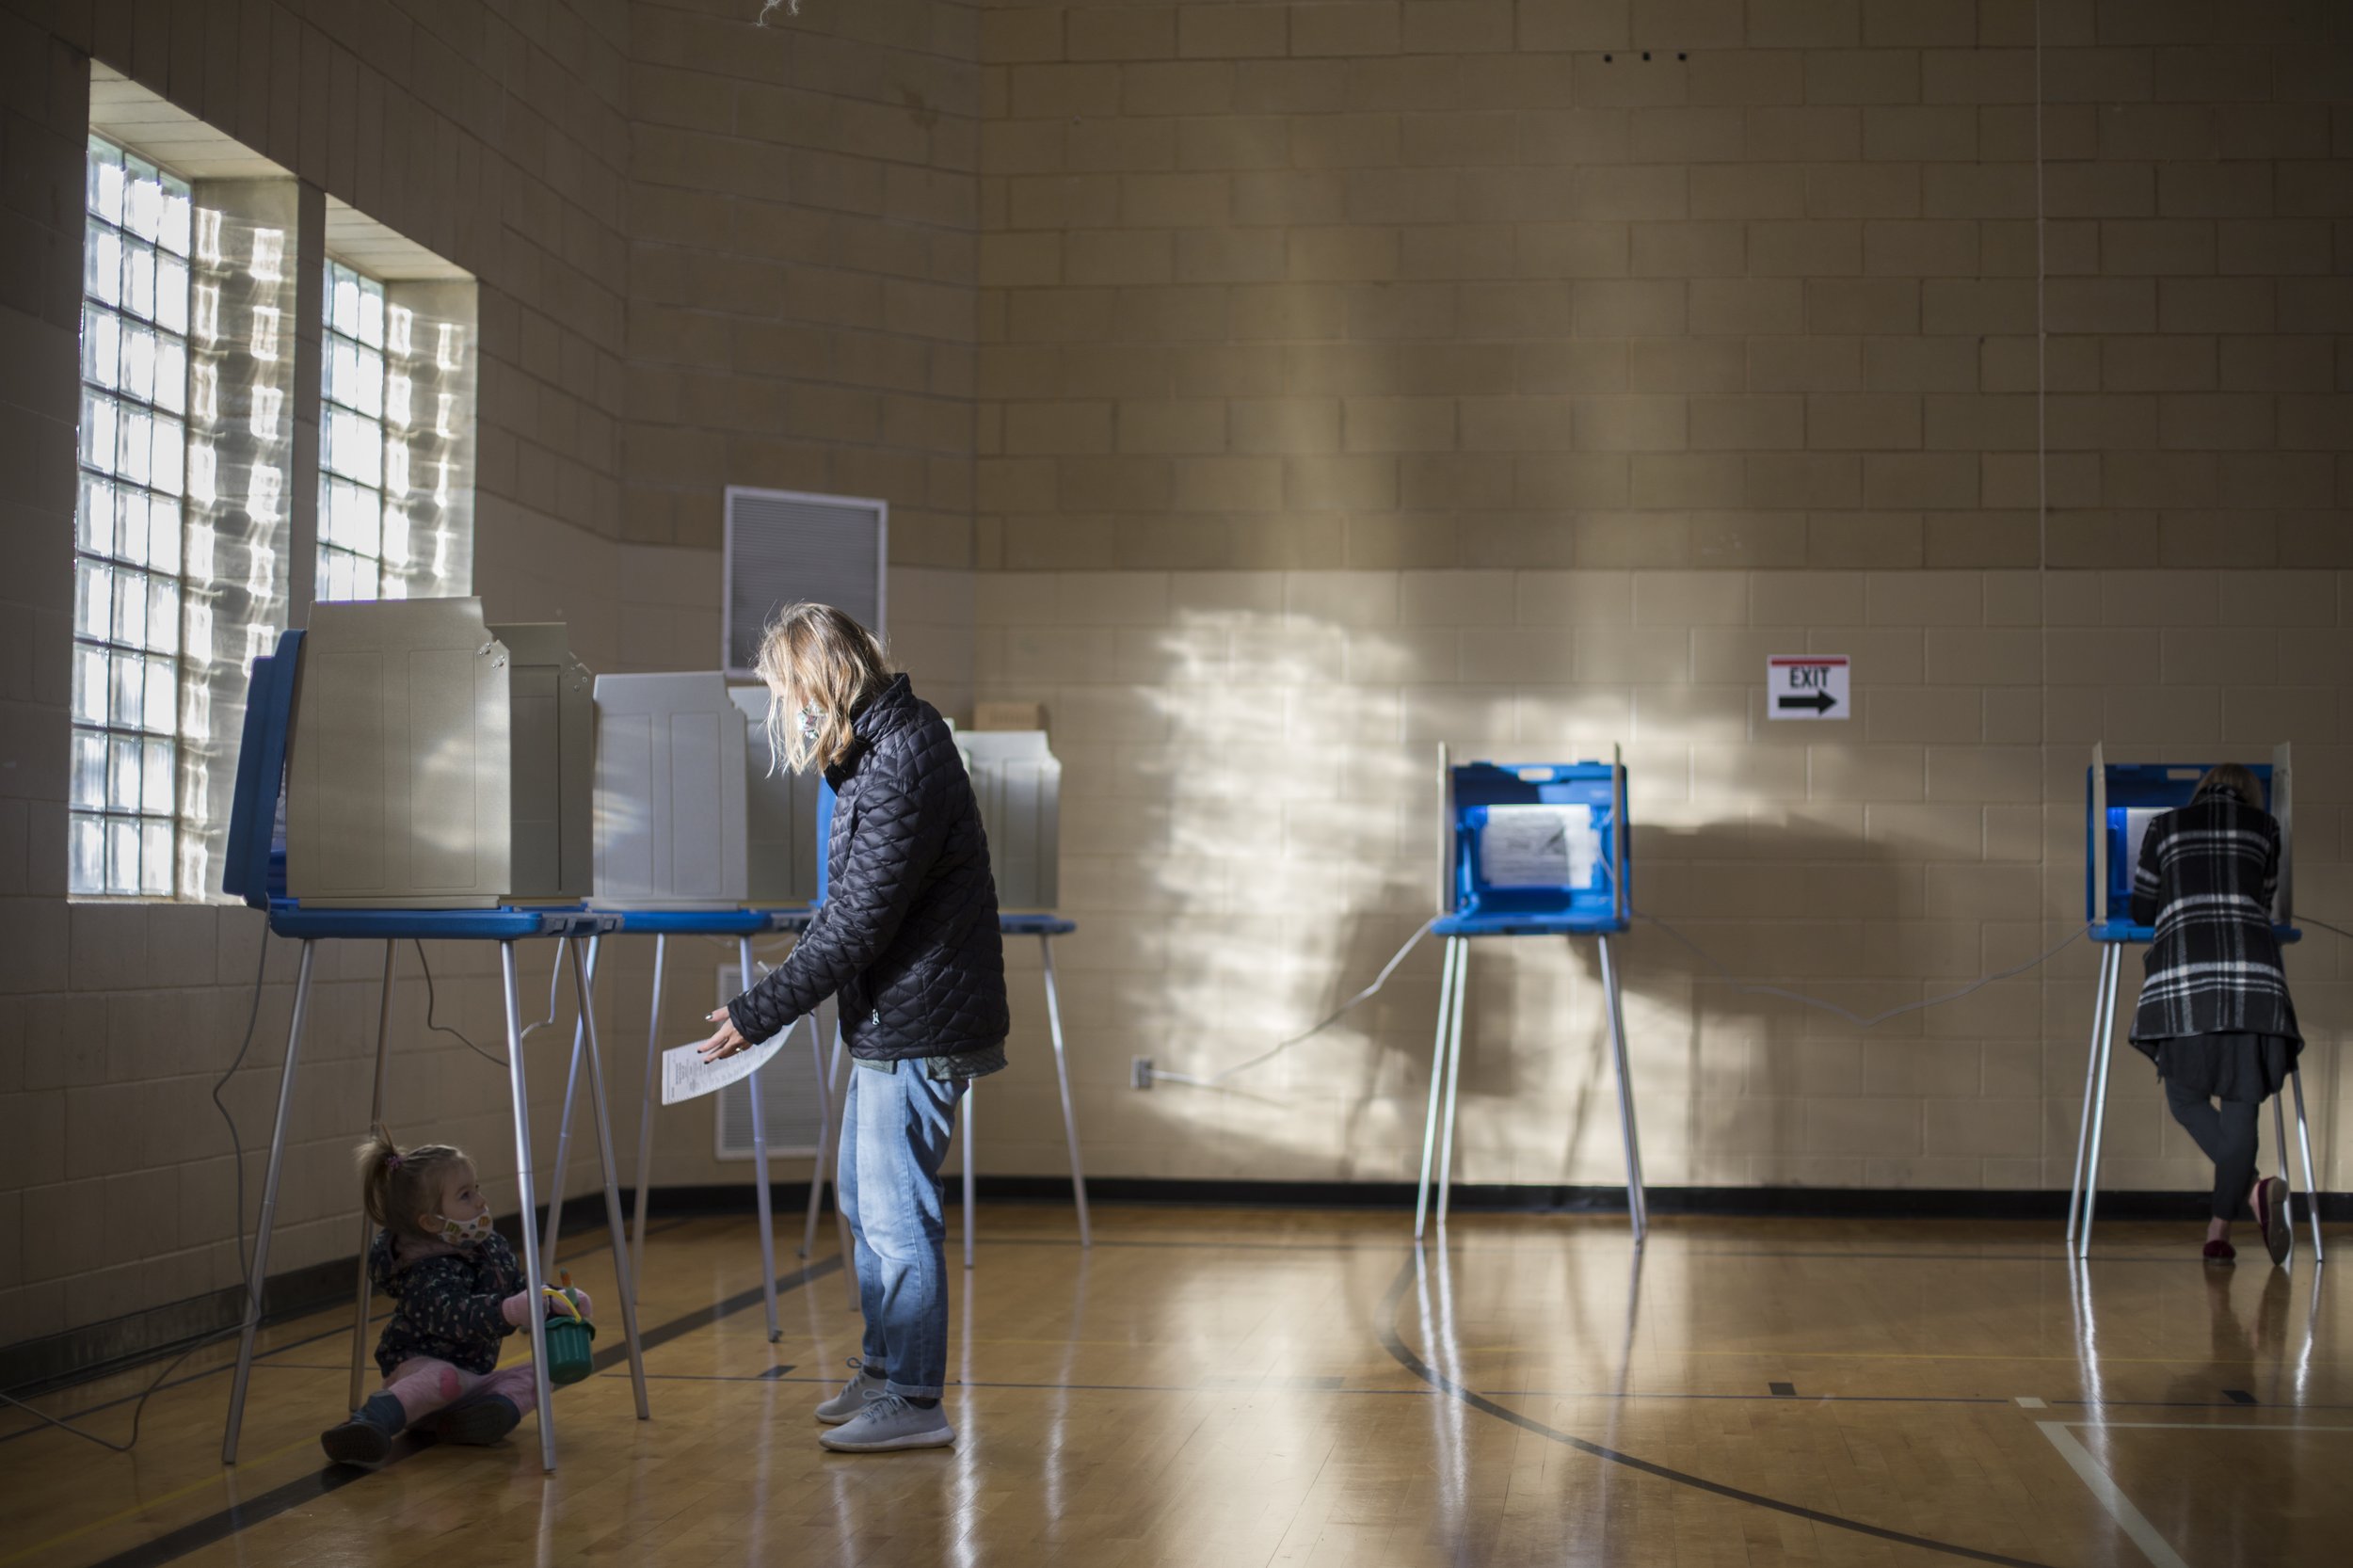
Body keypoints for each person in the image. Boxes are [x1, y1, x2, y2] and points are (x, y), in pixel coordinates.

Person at [695, 602, 1007, 1453]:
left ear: (823, 678)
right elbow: (854, 916)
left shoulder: (904, 755)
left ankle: (914, 1400)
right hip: (895, 1016)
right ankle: (881, 1371)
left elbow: (858, 921)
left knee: (898, 1214)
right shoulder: (876, 750)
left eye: (790, 692)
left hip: (922, 1021)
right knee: (864, 1201)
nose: (788, 713)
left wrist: (760, 1013)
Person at [320, 1126, 589, 1467]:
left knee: (544, 1372)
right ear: (432, 1222)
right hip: (420, 1375)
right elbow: (457, 1317)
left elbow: (515, 1288)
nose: (480, 1200)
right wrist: (512, 1310)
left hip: (467, 1381)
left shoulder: (488, 1248)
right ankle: (371, 1421)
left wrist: (553, 1302)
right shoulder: (424, 1271)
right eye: (465, 1195)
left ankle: (481, 1416)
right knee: (441, 1378)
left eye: (476, 1189)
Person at [2127, 763, 2302, 1266]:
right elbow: (2265, 902)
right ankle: (2220, 1230)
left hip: (2187, 980)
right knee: (2242, 1099)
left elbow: (2142, 909)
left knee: (2185, 1098)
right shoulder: (2266, 828)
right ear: (2252, 795)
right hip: (2256, 979)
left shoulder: (2165, 825)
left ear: (2200, 790)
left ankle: (2251, 1194)